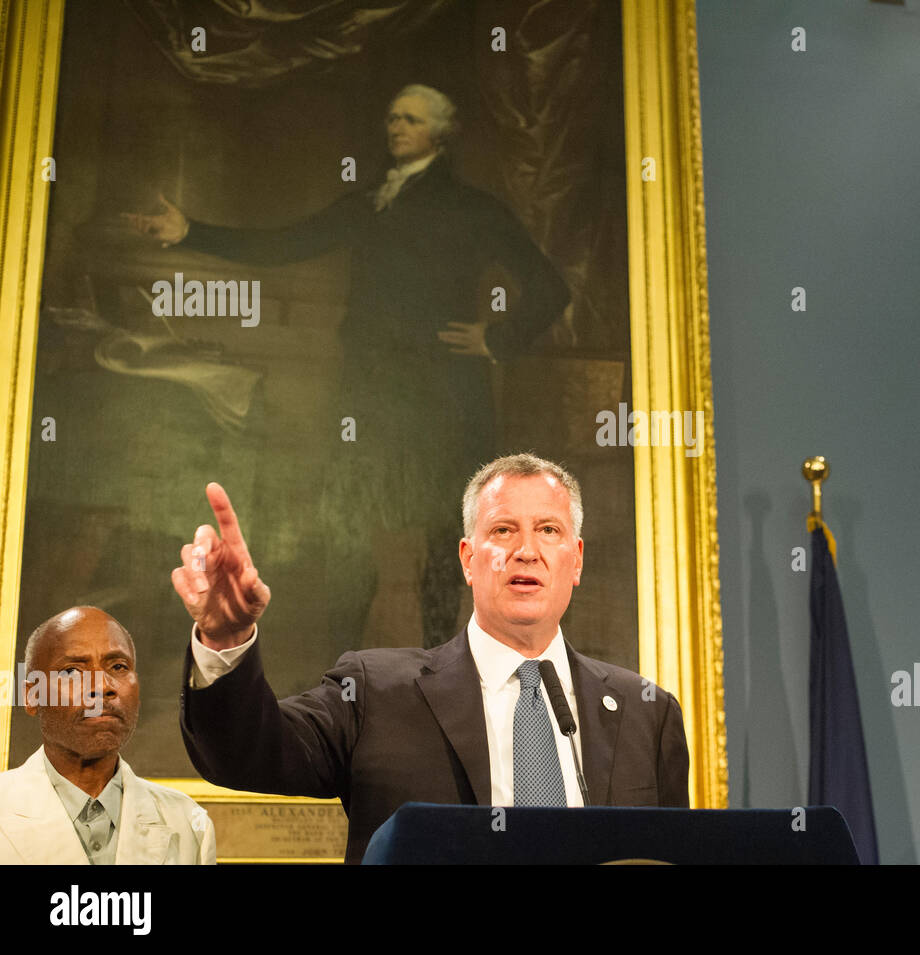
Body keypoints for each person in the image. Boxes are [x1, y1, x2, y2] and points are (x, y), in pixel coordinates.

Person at [125, 84, 570, 651]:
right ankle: (345, 668)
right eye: (391, 117)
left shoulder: (471, 207)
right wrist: (191, 231)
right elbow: (285, 243)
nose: (396, 126)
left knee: (445, 535)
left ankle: (446, 658)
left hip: (444, 398)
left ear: (440, 134)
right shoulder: (367, 203)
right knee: (353, 525)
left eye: (409, 119)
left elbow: (549, 287)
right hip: (369, 396)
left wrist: (496, 337)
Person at [173, 454, 690, 863]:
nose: (526, 551)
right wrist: (227, 639)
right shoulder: (375, 693)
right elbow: (250, 753)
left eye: (548, 530)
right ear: (468, 559)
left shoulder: (648, 713)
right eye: (503, 530)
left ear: (575, 560)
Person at [0, 607, 216, 865]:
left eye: (118, 666)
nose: (102, 686)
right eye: (72, 671)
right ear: (32, 695)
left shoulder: (189, 823)